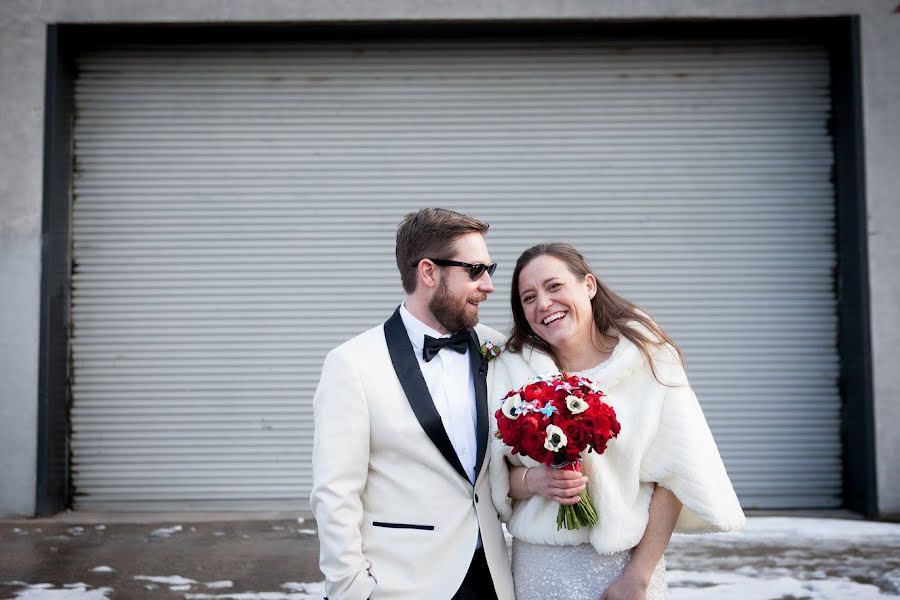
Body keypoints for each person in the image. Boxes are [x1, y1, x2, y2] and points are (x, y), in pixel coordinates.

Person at [488, 242, 746, 600]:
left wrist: (637, 577)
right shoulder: (511, 371)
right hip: (540, 568)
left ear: (589, 286)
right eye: (528, 298)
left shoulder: (648, 360)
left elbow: (674, 476)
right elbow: (495, 479)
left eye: (554, 286)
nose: (543, 304)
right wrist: (536, 480)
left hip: (626, 567)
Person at [310, 208, 515, 600]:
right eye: (475, 270)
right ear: (428, 272)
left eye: (491, 269)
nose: (488, 285)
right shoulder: (352, 364)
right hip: (402, 584)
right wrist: (352, 591)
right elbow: (334, 493)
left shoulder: (497, 348)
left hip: (492, 578)